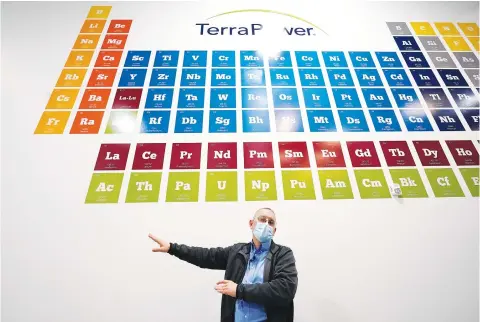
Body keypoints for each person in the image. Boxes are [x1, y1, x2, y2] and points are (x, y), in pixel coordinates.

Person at [148, 207, 298, 322]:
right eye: (262, 219)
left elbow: (285, 289)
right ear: (251, 224)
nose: (266, 224)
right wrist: (173, 248)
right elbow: (206, 256)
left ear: (275, 230)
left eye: (270, 222)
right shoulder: (237, 251)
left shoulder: (283, 254)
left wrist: (239, 290)